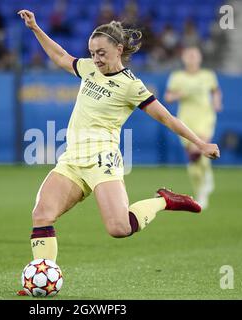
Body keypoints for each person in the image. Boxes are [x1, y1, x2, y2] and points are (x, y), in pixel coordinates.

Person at [17, 10, 220, 295]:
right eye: (92, 52)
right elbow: (62, 56)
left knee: (120, 228)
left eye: (101, 53)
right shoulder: (88, 69)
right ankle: (41, 278)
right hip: (73, 159)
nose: (96, 58)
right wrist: (36, 28)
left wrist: (200, 143)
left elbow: (166, 118)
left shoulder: (131, 86)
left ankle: (165, 201)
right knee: (42, 214)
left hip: (103, 160)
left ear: (119, 49)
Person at [165, 46, 222, 209]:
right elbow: (168, 97)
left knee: (200, 149)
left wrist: (217, 102)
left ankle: (204, 187)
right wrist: (180, 95)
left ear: (200, 58)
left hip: (205, 117)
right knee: (194, 159)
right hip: (186, 119)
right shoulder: (177, 77)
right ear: (183, 58)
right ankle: (201, 188)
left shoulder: (208, 75)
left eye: (194, 55)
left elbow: (216, 91)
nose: (191, 58)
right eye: (188, 55)